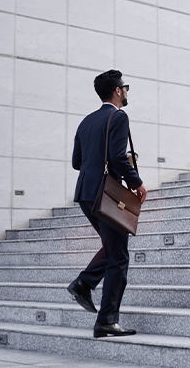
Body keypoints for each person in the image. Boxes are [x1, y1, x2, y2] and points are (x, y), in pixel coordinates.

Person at [67, 69, 147, 338]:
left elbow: (77, 163)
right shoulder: (119, 116)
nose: (126, 92)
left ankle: (84, 284)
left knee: (112, 248)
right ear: (117, 91)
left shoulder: (86, 121)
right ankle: (106, 320)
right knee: (118, 257)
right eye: (125, 87)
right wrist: (136, 183)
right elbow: (116, 158)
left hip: (86, 194)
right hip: (106, 194)